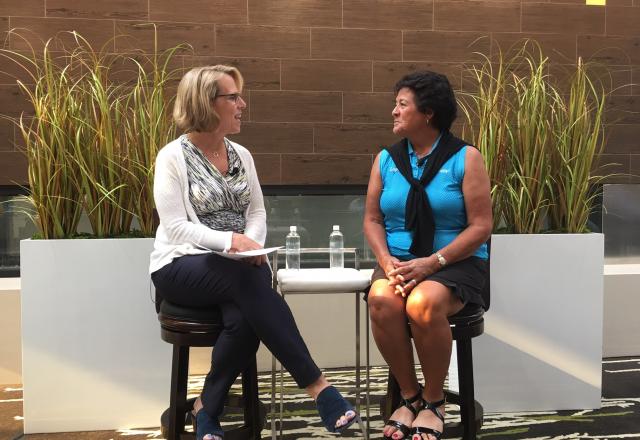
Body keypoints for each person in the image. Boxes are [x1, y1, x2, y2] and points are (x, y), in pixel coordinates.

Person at [150, 65, 359, 440]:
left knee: (246, 311)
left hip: (239, 267)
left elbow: (257, 212)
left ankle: (206, 409)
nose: (242, 104)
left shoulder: (241, 155)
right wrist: (234, 243)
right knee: (248, 279)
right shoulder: (172, 157)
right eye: (233, 97)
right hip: (181, 264)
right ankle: (319, 388)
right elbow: (176, 226)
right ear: (206, 103)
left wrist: (252, 244)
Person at [363, 71, 492, 440]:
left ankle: (435, 402)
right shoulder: (386, 160)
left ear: (428, 113)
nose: (394, 112)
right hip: (400, 262)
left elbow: (481, 226)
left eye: (402, 105)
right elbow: (372, 219)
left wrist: (433, 262)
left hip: (454, 263)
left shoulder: (466, 158)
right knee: (381, 300)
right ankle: (410, 396)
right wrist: (387, 263)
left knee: (421, 303)